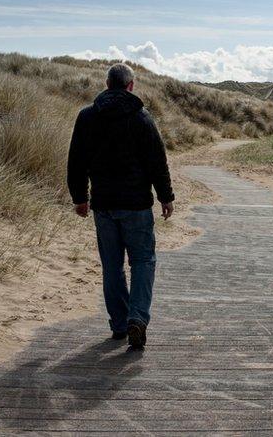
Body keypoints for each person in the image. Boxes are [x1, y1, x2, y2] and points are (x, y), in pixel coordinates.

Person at [66, 63, 174, 348]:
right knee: (143, 262)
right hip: (137, 206)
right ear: (131, 85)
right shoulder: (141, 118)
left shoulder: (87, 117)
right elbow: (157, 162)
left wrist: (80, 198)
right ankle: (136, 318)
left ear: (107, 84)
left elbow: (76, 160)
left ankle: (119, 324)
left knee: (112, 267)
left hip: (103, 205)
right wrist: (166, 196)